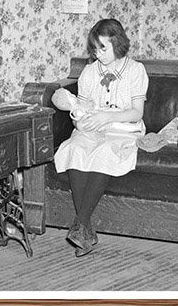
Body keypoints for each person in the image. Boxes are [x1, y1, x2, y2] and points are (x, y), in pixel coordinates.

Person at [51, 18, 148, 257]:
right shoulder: (89, 72)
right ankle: (84, 231)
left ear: (118, 43)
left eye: (103, 48)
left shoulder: (136, 70)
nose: (98, 54)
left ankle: (81, 223)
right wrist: (79, 119)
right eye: (95, 49)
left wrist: (105, 117)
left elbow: (137, 112)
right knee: (75, 148)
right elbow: (82, 108)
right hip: (93, 127)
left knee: (105, 152)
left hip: (123, 128)